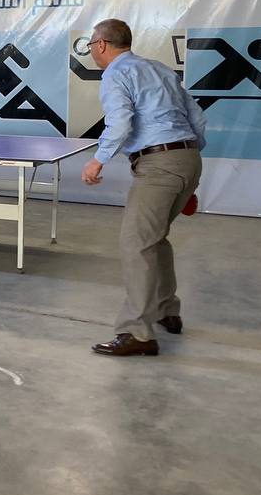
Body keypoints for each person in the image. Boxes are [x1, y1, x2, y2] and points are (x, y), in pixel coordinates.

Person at [81, 19, 205, 356]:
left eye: (91, 44)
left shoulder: (115, 74)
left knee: (136, 244)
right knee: (155, 238)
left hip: (159, 166)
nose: (91, 50)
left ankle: (137, 332)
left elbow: (120, 122)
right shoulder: (160, 69)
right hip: (188, 159)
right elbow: (197, 117)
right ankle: (167, 310)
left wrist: (97, 160)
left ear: (101, 45)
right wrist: (185, 163)